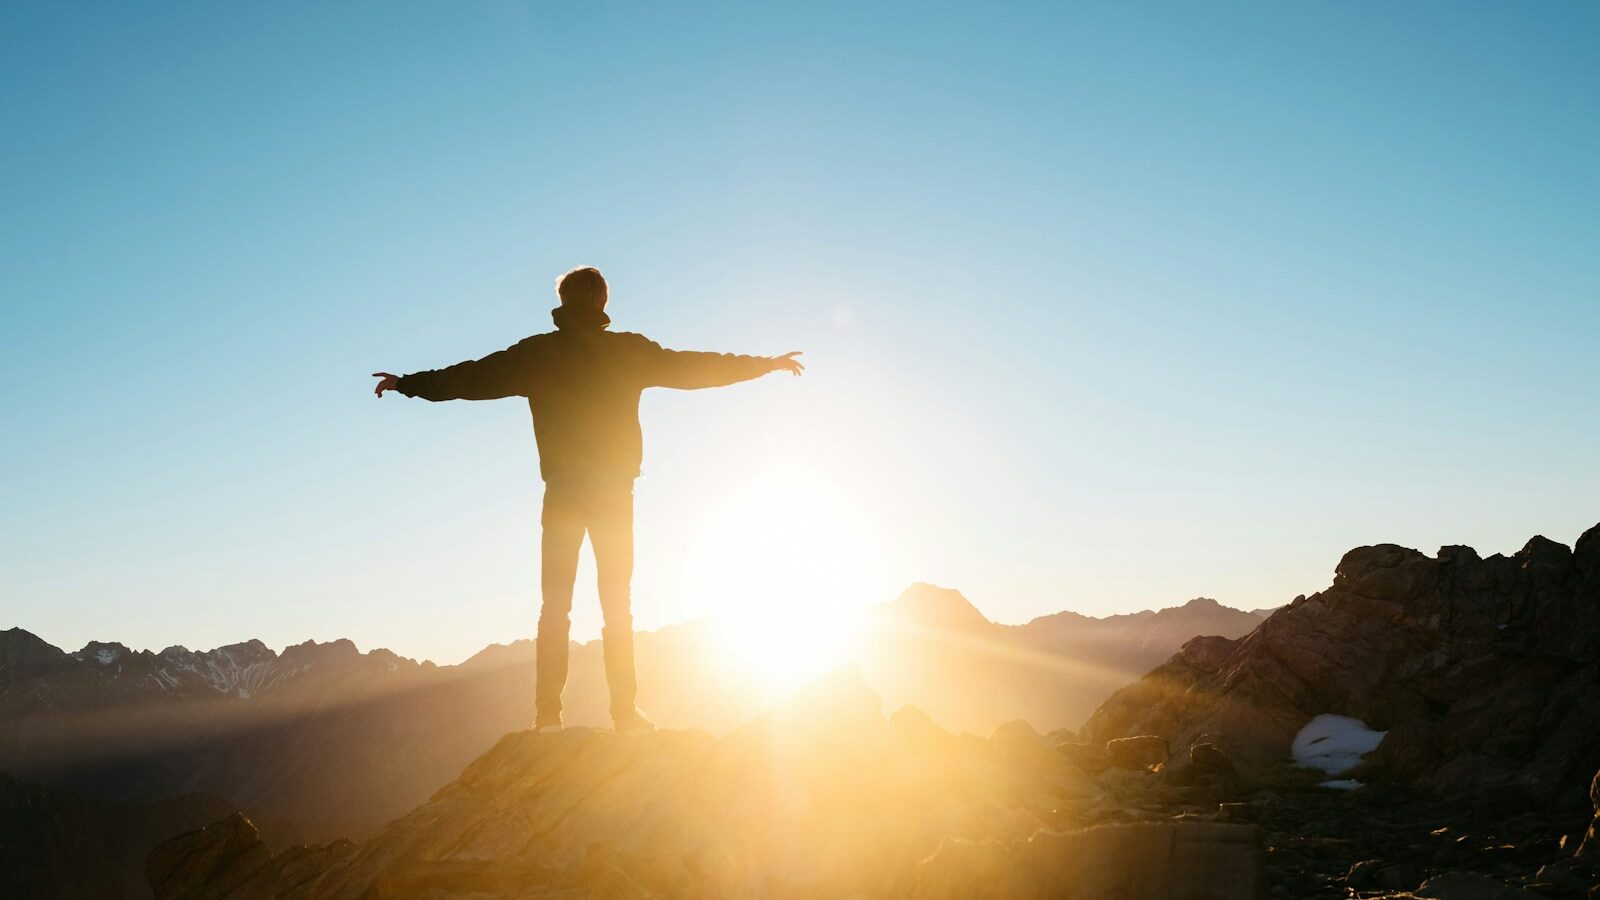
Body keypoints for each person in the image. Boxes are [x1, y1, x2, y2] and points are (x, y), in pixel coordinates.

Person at [373, 267, 802, 735]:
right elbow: (697, 367)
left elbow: (471, 378)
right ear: (602, 302)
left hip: (563, 493)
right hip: (615, 494)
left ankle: (547, 716)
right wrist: (766, 364)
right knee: (617, 604)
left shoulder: (538, 353)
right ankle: (625, 716)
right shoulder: (628, 351)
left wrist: (407, 383)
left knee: (555, 606)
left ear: (562, 300)